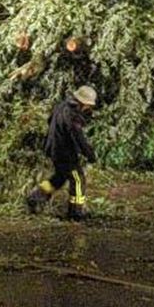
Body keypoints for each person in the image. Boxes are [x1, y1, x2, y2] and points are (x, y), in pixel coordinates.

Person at [26, 85, 98, 221]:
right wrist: (89, 154)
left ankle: (35, 197)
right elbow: (78, 137)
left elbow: (49, 121)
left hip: (53, 148)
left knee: (59, 178)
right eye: (89, 105)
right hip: (65, 153)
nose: (89, 108)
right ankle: (75, 212)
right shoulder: (73, 115)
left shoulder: (61, 106)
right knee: (78, 179)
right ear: (83, 103)